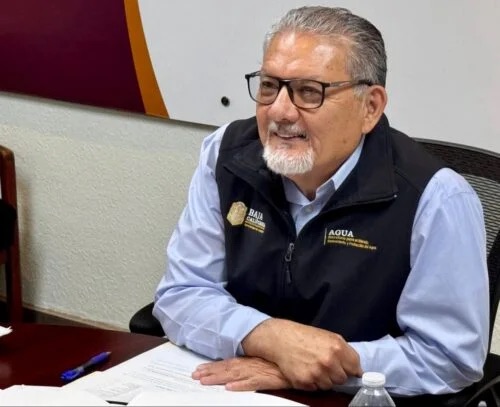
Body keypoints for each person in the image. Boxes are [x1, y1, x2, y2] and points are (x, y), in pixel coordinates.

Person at [153, 6, 489, 398]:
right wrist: (269, 338)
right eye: (269, 86)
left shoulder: (436, 199)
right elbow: (182, 292)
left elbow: (449, 356)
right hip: (233, 390)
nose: (279, 111)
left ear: (370, 107)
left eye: (309, 92)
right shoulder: (225, 155)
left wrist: (319, 368)